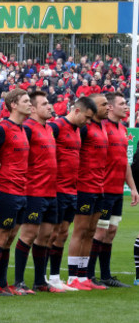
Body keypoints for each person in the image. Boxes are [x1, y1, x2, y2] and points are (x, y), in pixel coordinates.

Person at [12, 91, 61, 294]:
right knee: (29, 234)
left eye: (49, 103)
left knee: (47, 235)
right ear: (32, 108)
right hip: (33, 191)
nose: (50, 106)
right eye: (45, 103)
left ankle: (40, 281)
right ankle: (18, 282)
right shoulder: (27, 129)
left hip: (51, 191)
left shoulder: (49, 129)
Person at [87, 92, 138, 287]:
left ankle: (106, 276)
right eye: (122, 103)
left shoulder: (123, 130)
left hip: (117, 190)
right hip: (104, 189)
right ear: (110, 107)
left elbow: (124, 162)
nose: (126, 107)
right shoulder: (101, 128)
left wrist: (132, 187)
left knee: (111, 232)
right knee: (99, 233)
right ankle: (89, 276)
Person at [46, 97, 96, 291]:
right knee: (49, 234)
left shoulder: (77, 131)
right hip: (55, 189)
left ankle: (55, 277)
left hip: (71, 190)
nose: (88, 122)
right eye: (87, 117)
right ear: (76, 111)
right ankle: (42, 277)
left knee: (62, 234)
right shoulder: (57, 127)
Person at [0, 88, 31, 296]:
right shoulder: (2, 129)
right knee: (0, 237)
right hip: (5, 190)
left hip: (21, 190)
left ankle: (2, 283)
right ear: (14, 104)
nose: (30, 104)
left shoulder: (23, 129)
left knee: (10, 237)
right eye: (26, 101)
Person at [65, 94, 109, 290]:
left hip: (99, 187)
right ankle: (72, 276)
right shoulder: (83, 128)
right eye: (104, 104)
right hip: (84, 187)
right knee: (80, 231)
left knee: (91, 232)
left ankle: (83, 277)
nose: (108, 107)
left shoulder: (102, 128)